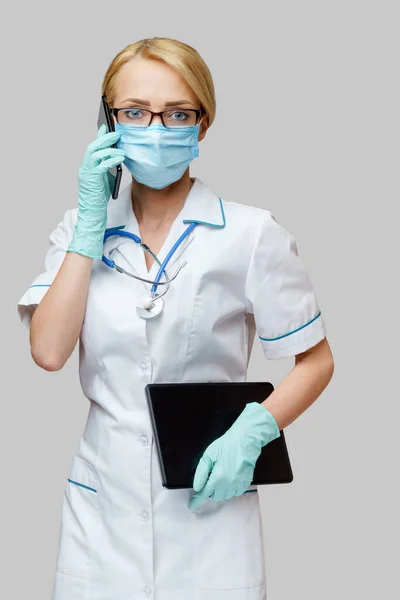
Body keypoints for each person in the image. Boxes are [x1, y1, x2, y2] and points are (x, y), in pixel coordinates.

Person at [17, 37, 334, 600]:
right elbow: (48, 352)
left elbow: (316, 360)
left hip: (210, 503)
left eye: (177, 113)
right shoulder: (79, 232)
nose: (156, 129)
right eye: (135, 112)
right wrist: (91, 229)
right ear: (107, 121)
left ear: (202, 125)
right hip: (102, 509)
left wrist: (254, 431)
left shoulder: (251, 234)